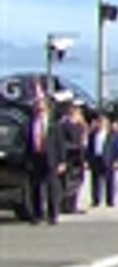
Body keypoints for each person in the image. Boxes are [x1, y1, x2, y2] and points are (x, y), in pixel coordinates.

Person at [25, 96, 66, 225]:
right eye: (37, 107)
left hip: (51, 159)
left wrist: (62, 161)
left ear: (47, 109)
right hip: (36, 158)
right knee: (36, 188)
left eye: (42, 108)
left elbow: (61, 144)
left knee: (52, 188)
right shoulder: (31, 123)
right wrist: (28, 160)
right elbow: (28, 143)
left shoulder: (54, 124)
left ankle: (53, 215)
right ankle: (37, 215)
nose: (39, 110)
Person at [86, 112, 118, 208]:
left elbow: (115, 148)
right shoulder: (92, 135)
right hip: (96, 158)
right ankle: (96, 200)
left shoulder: (111, 135)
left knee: (110, 181)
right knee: (95, 181)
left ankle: (110, 200)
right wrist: (88, 160)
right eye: (99, 122)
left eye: (102, 122)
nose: (100, 124)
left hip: (108, 159)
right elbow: (89, 148)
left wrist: (116, 160)